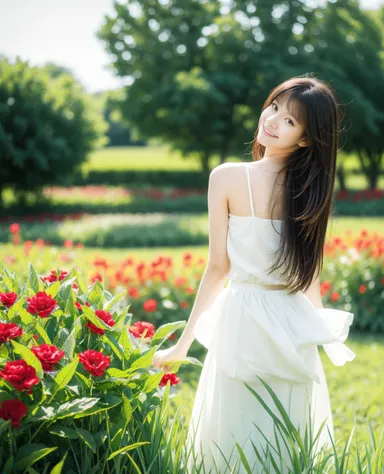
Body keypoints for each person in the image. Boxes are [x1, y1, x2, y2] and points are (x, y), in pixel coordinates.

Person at [152, 74, 356, 473]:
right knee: (285, 438)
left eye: (290, 121)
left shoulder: (227, 176)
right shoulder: (313, 189)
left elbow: (218, 268)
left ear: (305, 139)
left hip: (242, 314)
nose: (273, 119)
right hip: (291, 320)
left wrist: (181, 345)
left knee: (232, 433)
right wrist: (320, 329)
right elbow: (309, 276)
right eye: (275, 106)